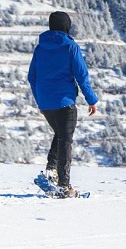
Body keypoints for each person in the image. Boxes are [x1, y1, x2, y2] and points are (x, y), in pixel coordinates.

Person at [27, 11, 98, 196]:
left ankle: (51, 173)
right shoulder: (70, 47)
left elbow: (31, 77)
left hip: (46, 103)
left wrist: (40, 102)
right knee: (65, 141)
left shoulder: (40, 48)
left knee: (60, 135)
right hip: (65, 103)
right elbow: (81, 75)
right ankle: (64, 185)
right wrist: (92, 100)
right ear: (67, 26)